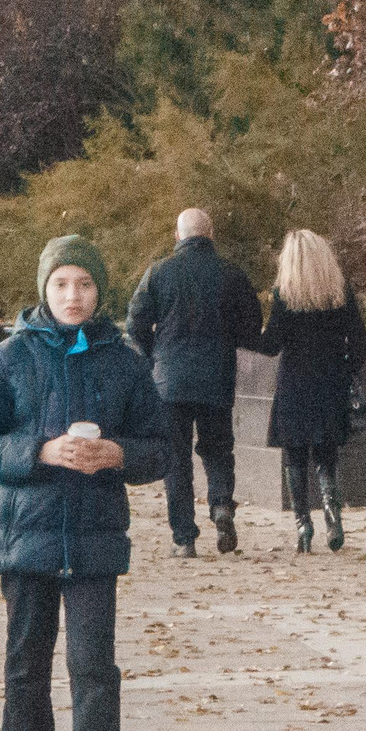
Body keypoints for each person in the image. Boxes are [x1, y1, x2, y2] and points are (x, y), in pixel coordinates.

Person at [0, 235, 166, 731]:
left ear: (101, 292)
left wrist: (117, 454)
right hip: (25, 539)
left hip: (96, 538)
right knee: (27, 662)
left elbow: (159, 448)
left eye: (86, 285)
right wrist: (39, 451)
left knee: (94, 667)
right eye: (62, 284)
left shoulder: (124, 360)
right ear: (43, 289)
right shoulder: (9, 358)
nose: (74, 296)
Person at [125, 208, 263, 557]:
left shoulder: (159, 272)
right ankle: (220, 505)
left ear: (177, 237)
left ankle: (184, 538)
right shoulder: (231, 275)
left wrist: (151, 354)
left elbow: (135, 321)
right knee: (218, 449)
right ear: (211, 234)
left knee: (176, 459)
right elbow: (251, 326)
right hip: (216, 378)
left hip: (169, 382)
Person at [255, 229, 366, 553]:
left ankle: (303, 526)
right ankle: (333, 519)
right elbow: (360, 340)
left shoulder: (284, 297)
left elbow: (271, 345)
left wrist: (247, 329)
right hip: (330, 383)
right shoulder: (339, 292)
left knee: (294, 456)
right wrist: (346, 370)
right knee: (326, 455)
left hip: (294, 385)